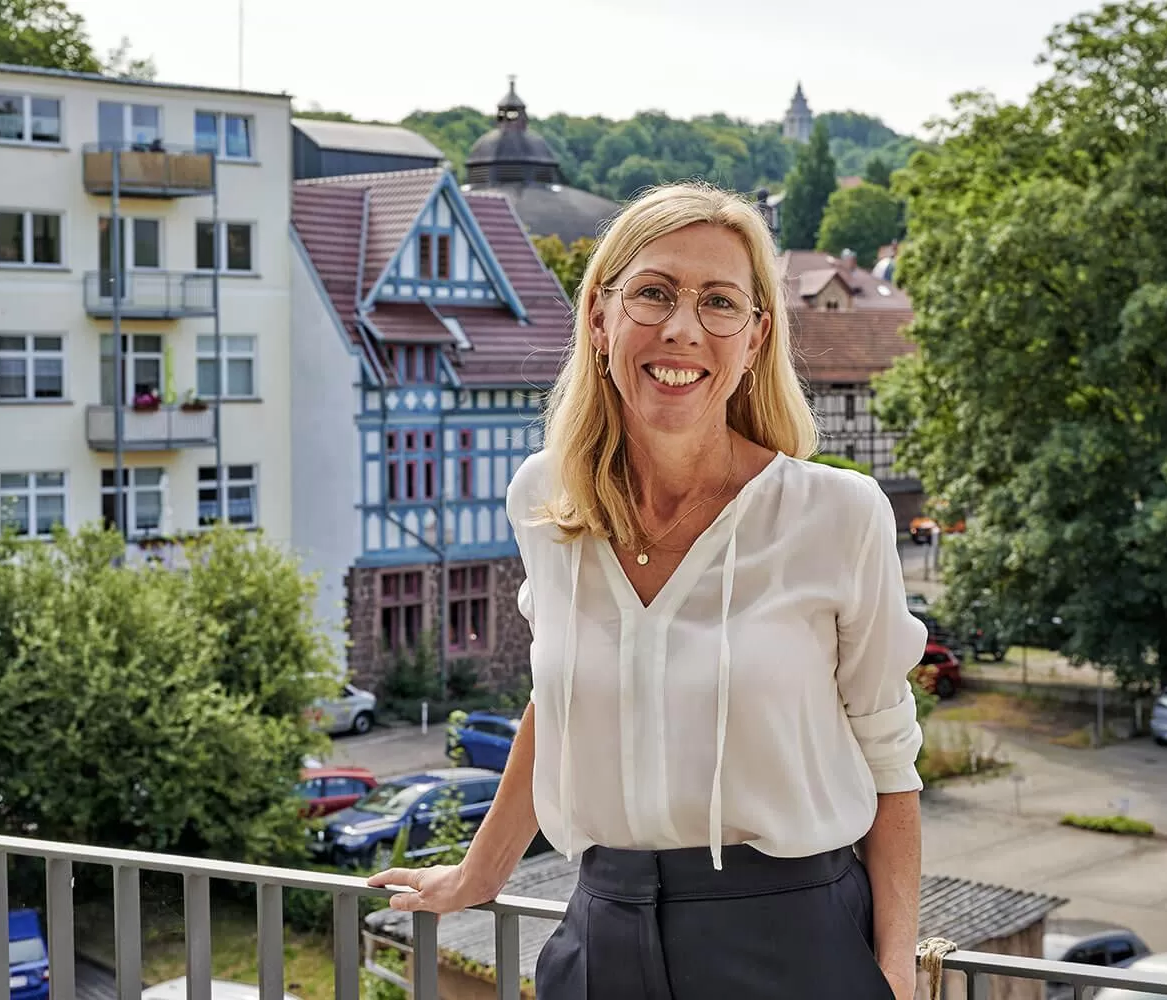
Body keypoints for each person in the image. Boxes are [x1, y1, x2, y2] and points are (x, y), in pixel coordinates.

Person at [369, 181, 927, 999]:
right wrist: (477, 875)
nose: (682, 329)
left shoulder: (835, 515)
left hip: (792, 941)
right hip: (602, 935)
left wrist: (894, 973)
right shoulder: (545, 500)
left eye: (720, 303)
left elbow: (889, 759)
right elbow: (558, 707)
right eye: (654, 294)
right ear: (599, 319)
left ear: (755, 339)